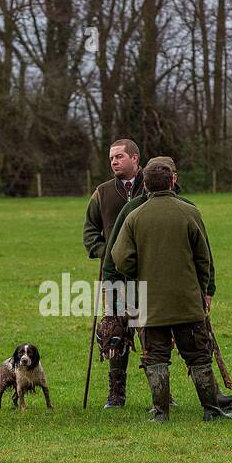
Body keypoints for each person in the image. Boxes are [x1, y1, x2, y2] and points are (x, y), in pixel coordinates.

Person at [110, 160, 232, 422]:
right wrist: (202, 290)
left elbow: (120, 259)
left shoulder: (134, 217)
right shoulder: (189, 212)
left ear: (146, 185)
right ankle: (211, 410)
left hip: (149, 302)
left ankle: (161, 413)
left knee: (155, 357)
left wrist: (140, 270)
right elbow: (203, 258)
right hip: (187, 301)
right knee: (198, 355)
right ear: (172, 181)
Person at [83, 138, 145, 407]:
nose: (114, 162)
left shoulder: (153, 184)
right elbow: (89, 233)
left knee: (151, 333)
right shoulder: (103, 192)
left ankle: (161, 390)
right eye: (111, 158)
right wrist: (106, 251)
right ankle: (116, 394)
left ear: (135, 158)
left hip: (149, 275)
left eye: (119, 156)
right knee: (115, 332)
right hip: (115, 279)